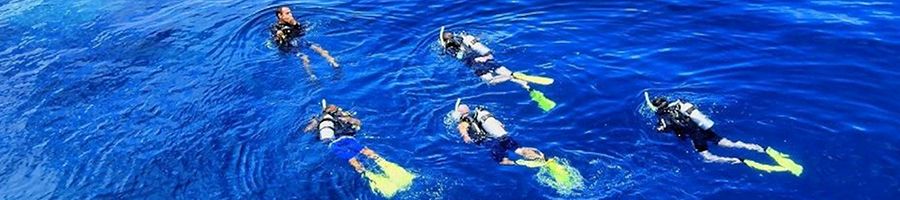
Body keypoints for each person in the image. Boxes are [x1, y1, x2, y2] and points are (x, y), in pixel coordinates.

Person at [644, 92, 766, 164]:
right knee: (728, 143)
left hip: (695, 136)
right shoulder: (679, 105)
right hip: (703, 128)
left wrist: (658, 128)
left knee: (707, 157)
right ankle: (757, 148)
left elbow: (664, 128)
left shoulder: (664, 117)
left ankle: (735, 160)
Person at [452, 104, 546, 165]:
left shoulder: (464, 121)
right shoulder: (481, 113)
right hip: (502, 136)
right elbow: (501, 124)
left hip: (491, 142)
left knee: (502, 161)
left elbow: (463, 129)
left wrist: (465, 137)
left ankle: (517, 163)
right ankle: (540, 158)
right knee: (520, 150)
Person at [303, 104, 381, 173]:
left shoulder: (319, 121)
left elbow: (307, 130)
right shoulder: (342, 118)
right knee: (363, 150)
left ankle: (361, 170)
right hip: (346, 138)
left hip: (333, 143)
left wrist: (313, 121)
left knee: (351, 158)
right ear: (336, 112)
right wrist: (349, 117)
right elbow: (358, 122)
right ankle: (378, 159)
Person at [440, 31, 531, 89]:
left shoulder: (449, 49)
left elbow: (459, 57)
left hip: (473, 63)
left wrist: (444, 49)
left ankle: (510, 77)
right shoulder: (461, 39)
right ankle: (520, 80)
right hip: (484, 58)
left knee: (490, 81)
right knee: (502, 70)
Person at [272, 6, 339, 79]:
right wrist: (280, 36)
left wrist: (296, 25)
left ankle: (333, 62)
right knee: (304, 58)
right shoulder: (276, 28)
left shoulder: (293, 23)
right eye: (287, 13)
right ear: (280, 15)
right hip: (289, 46)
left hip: (298, 41)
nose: (291, 15)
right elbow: (279, 42)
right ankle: (312, 76)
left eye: (290, 13)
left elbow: (301, 33)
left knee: (317, 48)